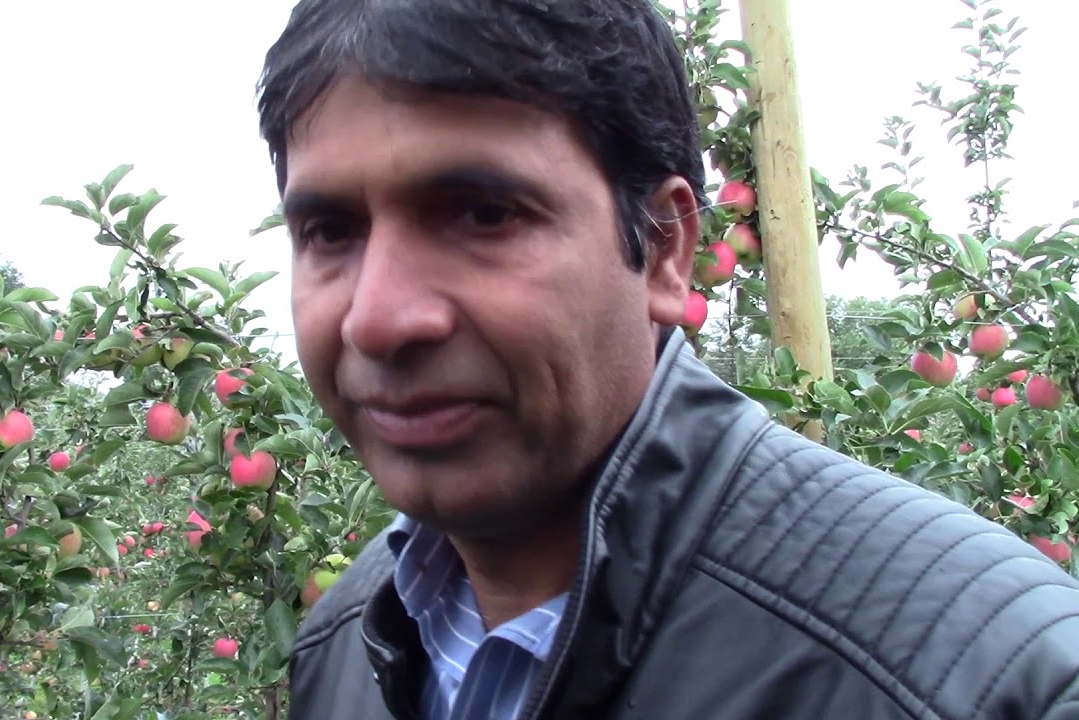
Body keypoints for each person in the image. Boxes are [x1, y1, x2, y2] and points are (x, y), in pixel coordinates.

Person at [255, 1, 1079, 718]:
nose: (377, 319)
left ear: (662, 249)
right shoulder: (344, 641)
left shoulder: (992, 681)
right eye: (330, 233)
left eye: (483, 214)